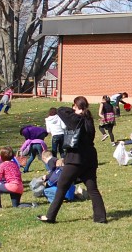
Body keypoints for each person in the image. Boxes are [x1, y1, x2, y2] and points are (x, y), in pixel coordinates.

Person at [37, 96, 108, 224]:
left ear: (77, 107)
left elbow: (60, 109)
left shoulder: (76, 119)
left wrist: (76, 111)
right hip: (90, 158)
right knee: (92, 189)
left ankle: (50, 216)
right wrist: (80, 110)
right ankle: (100, 217)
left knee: (61, 186)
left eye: (74, 106)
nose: (72, 108)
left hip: (76, 159)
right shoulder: (88, 119)